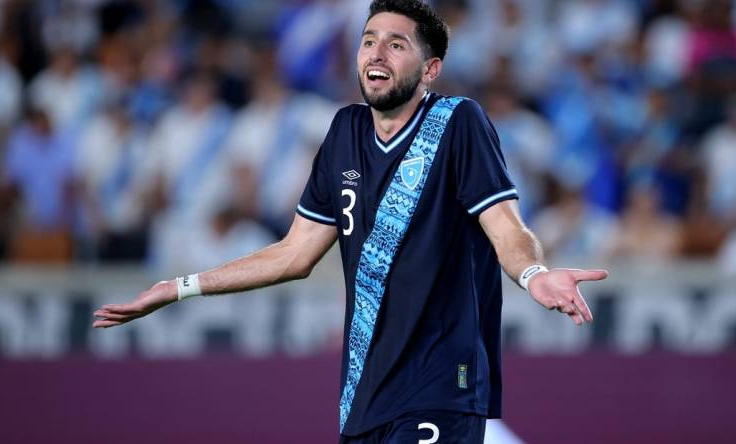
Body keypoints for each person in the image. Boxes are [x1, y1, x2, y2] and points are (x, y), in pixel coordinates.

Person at [93, 1, 608, 442]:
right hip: (363, 397)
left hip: (440, 388)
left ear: (430, 69)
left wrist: (535, 274)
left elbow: (506, 228)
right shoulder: (343, 131)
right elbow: (293, 255)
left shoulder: (458, 122)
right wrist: (179, 287)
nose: (376, 54)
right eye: (368, 41)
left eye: (396, 44)